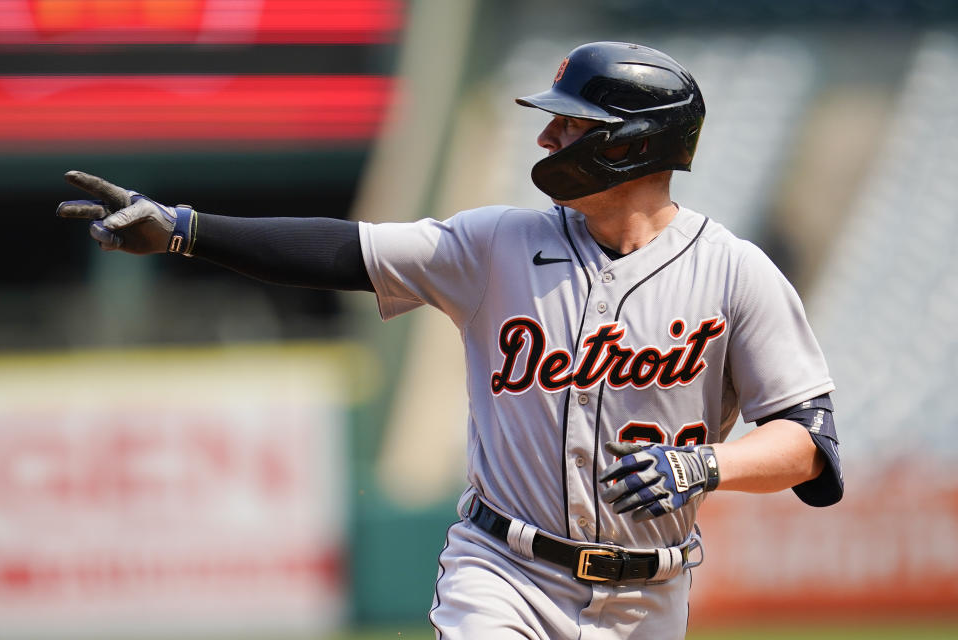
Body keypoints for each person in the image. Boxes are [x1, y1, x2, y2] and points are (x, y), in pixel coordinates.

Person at [58, 42, 842, 640]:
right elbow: (346, 249)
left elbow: (809, 445)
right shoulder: (495, 245)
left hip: (650, 598)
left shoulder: (736, 274)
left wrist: (708, 463)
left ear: (630, 143)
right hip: (504, 568)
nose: (549, 140)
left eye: (572, 124)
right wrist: (189, 232)